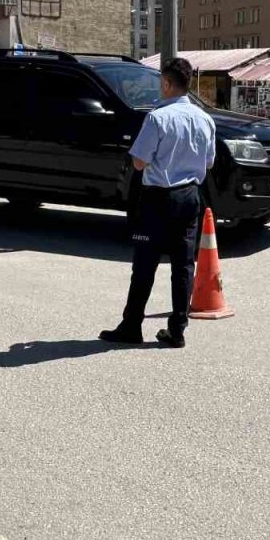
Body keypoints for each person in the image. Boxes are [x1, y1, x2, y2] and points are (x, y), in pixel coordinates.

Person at [101, 57, 216, 349]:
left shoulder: (157, 118)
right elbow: (209, 161)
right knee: (183, 265)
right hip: (190, 195)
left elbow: (139, 162)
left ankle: (132, 325)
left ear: (166, 83)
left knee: (145, 264)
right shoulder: (205, 119)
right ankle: (177, 329)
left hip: (157, 198)